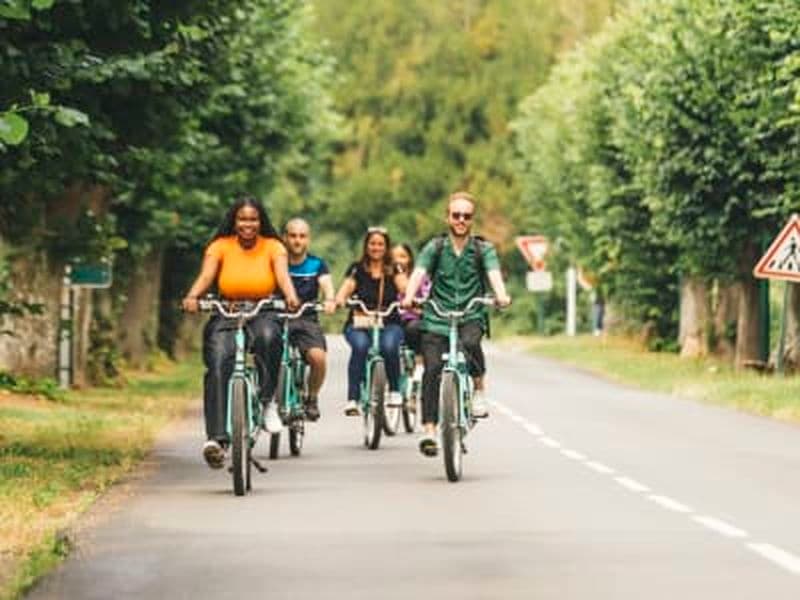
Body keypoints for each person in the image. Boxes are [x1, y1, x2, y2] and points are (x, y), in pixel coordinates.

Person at [182, 197, 300, 469]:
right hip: (228, 309)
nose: (248, 224)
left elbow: (283, 277)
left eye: (253, 219)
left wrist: (290, 296)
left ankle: (267, 399)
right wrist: (192, 296)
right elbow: (206, 276)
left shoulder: (273, 246)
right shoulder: (220, 246)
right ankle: (217, 439)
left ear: (261, 222)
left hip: (263, 308)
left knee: (270, 339)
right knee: (218, 360)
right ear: (234, 222)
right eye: (243, 219)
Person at [402, 191, 511, 456]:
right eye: (456, 215)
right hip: (437, 316)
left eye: (466, 216)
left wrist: (501, 294)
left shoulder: (482, 249)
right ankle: (429, 431)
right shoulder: (435, 247)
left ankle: (478, 390)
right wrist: (408, 296)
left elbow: (494, 274)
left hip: (470, 314)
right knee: (432, 370)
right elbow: (419, 271)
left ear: (472, 219)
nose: (461, 220)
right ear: (447, 217)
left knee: (472, 342)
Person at [335, 227, 407, 416]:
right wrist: (340, 299)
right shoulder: (356, 269)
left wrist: (410, 299)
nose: (376, 248)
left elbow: (405, 288)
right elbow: (345, 290)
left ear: (387, 247)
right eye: (372, 243)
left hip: (389, 321)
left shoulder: (395, 269)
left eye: (380, 244)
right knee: (360, 346)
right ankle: (353, 398)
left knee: (389, 346)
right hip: (360, 323)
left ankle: (394, 391)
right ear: (366, 246)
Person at [283, 217, 337, 421]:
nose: (297, 240)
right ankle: (268, 398)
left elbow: (326, 285)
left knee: (318, 357)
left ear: (308, 239)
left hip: (306, 320)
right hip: (278, 318)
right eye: (293, 235)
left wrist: (330, 299)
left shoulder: (317, 264)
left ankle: (311, 397)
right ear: (285, 238)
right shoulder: (277, 263)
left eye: (302, 236)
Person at [392, 243, 429, 356]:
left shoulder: (419, 277)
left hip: (413, 317)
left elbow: (426, 293)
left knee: (415, 328)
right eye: (394, 257)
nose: (398, 260)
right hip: (393, 317)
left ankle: (419, 358)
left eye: (402, 256)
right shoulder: (387, 276)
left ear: (410, 258)